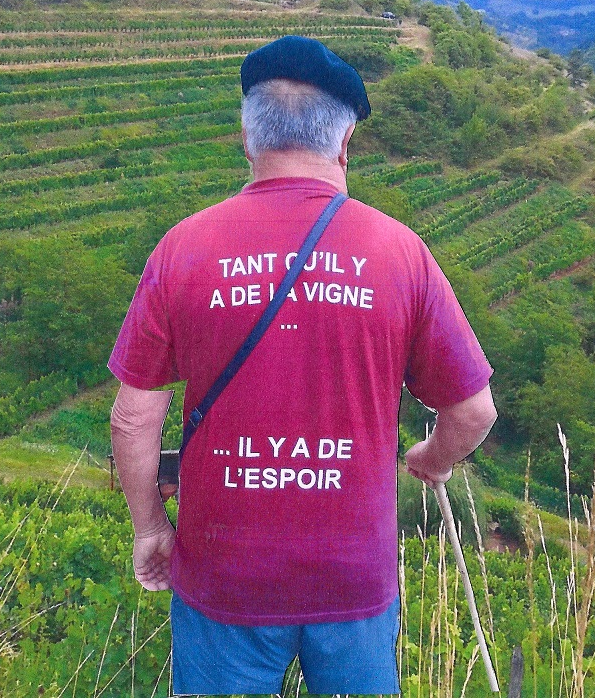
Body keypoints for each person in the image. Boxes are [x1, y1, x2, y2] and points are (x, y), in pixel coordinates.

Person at [108, 35, 497, 695]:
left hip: (223, 575)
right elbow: (472, 412)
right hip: (352, 583)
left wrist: (150, 527)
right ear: (344, 146)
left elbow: (132, 415)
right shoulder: (400, 253)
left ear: (246, 137)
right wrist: (430, 460)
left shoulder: (183, 247)